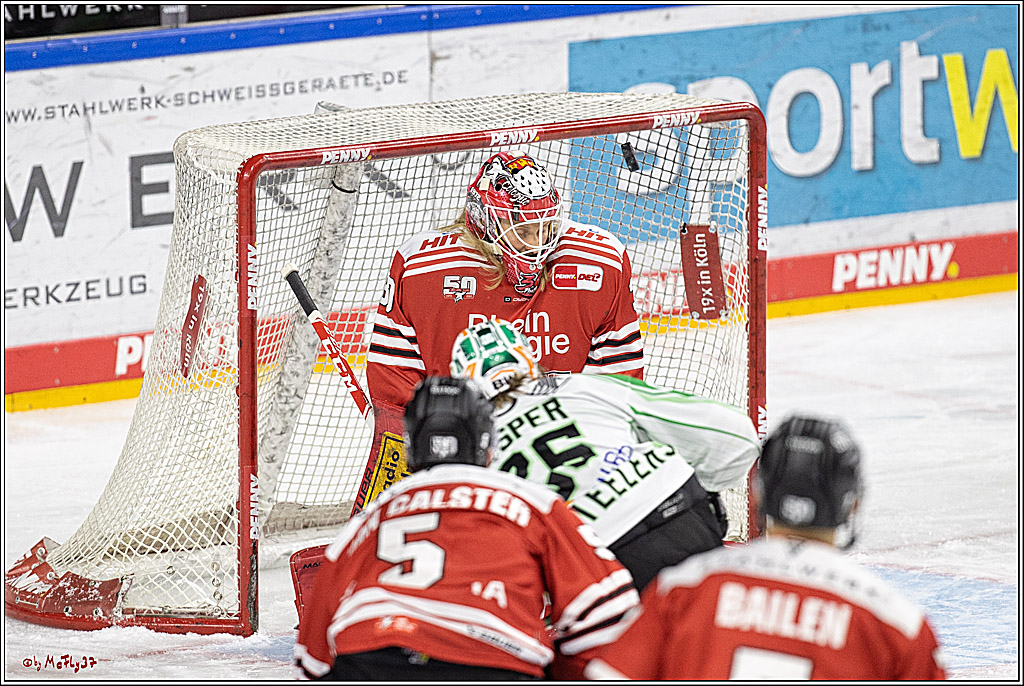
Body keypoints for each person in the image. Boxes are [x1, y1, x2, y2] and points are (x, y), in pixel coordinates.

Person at [294, 376, 640, 681]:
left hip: (369, 660)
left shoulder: (374, 513)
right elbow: (607, 611)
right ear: (488, 445)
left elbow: (311, 656)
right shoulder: (530, 500)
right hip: (492, 664)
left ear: (411, 445)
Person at [358, 151, 645, 511]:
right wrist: (423, 438)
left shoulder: (600, 262)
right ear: (484, 223)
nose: (539, 242)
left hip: (566, 454)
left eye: (546, 227)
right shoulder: (421, 270)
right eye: (524, 231)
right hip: (462, 465)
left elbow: (619, 381)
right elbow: (395, 381)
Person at [585, 415, 948, 680]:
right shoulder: (895, 623)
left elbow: (609, 676)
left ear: (758, 493)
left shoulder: (684, 587)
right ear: (852, 502)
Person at [449, 317, 760, 591]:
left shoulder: (472, 455)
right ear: (528, 356)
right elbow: (736, 437)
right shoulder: (582, 385)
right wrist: (703, 485)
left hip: (595, 561)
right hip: (677, 509)